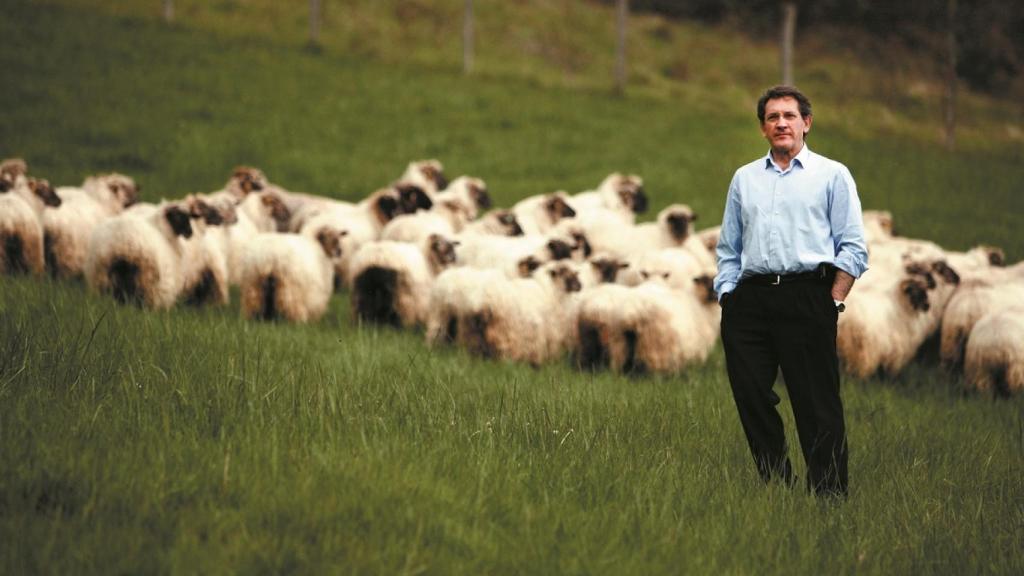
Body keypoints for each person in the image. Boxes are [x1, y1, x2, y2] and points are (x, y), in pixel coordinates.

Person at [714, 85, 868, 498]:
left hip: (807, 296)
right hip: (750, 301)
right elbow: (729, 246)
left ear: (806, 123)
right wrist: (728, 295)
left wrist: (832, 300)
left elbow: (852, 246)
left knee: (816, 402)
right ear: (763, 129)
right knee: (750, 393)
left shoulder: (832, 175)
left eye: (789, 116)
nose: (781, 123)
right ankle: (775, 484)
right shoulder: (744, 179)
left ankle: (829, 496)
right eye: (772, 117)